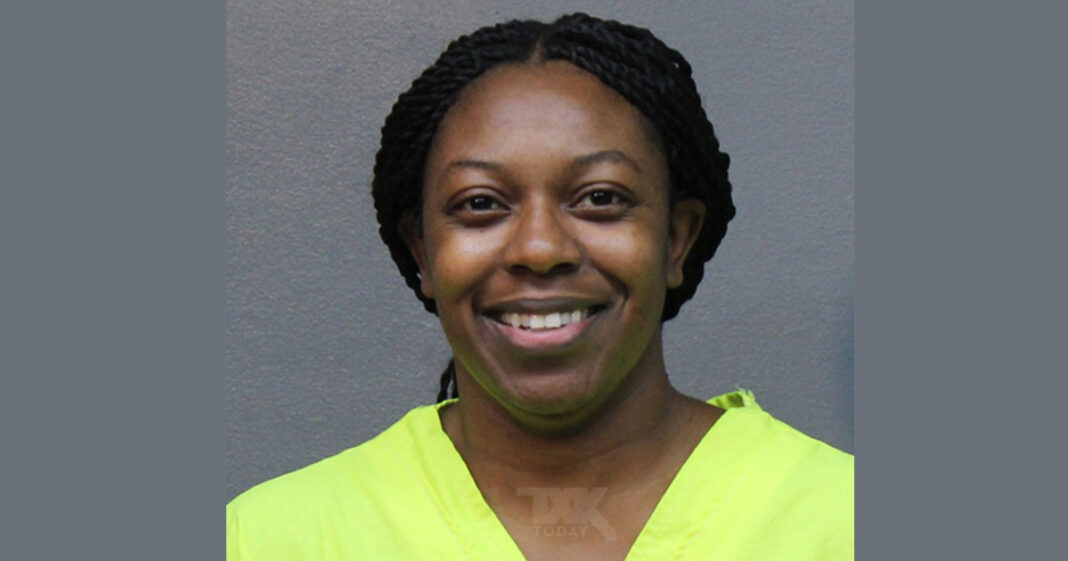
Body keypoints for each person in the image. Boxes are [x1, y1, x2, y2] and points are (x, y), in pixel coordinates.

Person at [227, 12, 852, 560]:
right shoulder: (268, 540)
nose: (540, 249)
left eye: (600, 198)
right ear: (423, 250)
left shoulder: (843, 523)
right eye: (480, 204)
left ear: (676, 240)